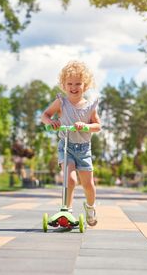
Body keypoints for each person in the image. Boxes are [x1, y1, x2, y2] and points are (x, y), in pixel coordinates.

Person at [41, 60, 101, 226]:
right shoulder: (61, 102)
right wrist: (50, 122)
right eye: (70, 84)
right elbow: (45, 114)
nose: (73, 87)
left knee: (88, 184)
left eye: (78, 84)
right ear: (64, 85)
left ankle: (90, 207)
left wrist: (86, 126)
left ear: (85, 85)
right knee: (70, 179)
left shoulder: (89, 106)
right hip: (66, 146)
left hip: (83, 149)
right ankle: (66, 211)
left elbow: (98, 126)